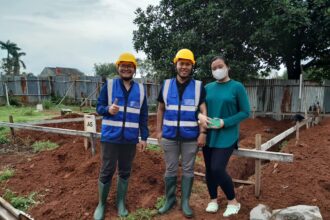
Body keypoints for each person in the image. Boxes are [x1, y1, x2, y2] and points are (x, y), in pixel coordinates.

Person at [93, 52, 149, 220]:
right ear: (118, 68)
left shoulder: (140, 89)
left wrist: (144, 137)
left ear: (134, 69)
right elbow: (98, 107)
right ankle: (101, 204)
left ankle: (120, 203)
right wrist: (108, 110)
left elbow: (143, 115)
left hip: (130, 139)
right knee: (107, 170)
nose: (126, 68)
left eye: (129, 66)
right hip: (111, 137)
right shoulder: (109, 85)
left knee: (125, 171)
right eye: (123, 65)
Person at [156, 49, 207, 218]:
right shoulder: (166, 84)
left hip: (190, 137)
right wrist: (158, 131)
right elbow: (160, 109)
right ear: (176, 65)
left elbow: (203, 110)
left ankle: (185, 201)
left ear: (192, 66)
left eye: (187, 64)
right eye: (181, 63)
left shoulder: (199, 87)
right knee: (170, 169)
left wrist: (203, 132)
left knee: (188, 169)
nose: (184, 67)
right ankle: (170, 200)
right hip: (170, 136)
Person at [198, 56, 250, 217]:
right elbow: (199, 107)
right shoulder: (207, 87)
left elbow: (245, 112)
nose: (217, 70)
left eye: (220, 66)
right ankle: (213, 199)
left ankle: (233, 201)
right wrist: (200, 116)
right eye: (213, 68)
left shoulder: (237, 87)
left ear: (227, 67)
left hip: (227, 134)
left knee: (217, 168)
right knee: (209, 170)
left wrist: (224, 122)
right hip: (209, 134)